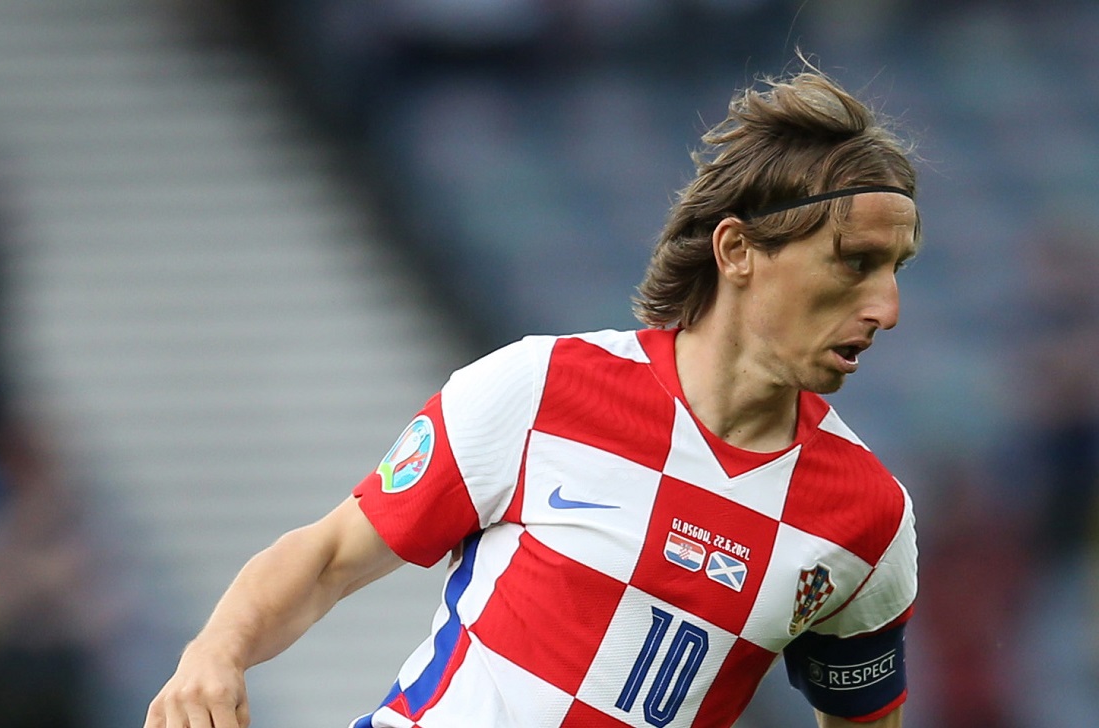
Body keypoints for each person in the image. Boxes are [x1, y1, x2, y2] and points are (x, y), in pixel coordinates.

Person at [144, 65, 921, 728]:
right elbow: (329, 558)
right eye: (855, 262)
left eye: (897, 270)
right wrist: (216, 654)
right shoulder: (541, 386)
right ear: (738, 250)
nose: (887, 309)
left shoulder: (867, 519)